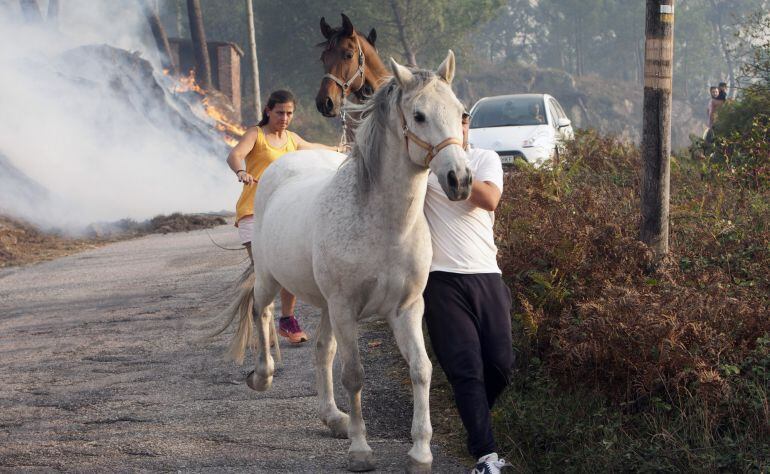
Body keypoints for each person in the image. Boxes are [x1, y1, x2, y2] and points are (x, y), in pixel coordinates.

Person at [423, 111, 514, 474]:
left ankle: (473, 415)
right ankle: (486, 455)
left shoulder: (483, 159)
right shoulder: (424, 170)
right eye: (446, 127)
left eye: (460, 125)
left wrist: (455, 170)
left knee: (501, 365)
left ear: (466, 127)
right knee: (466, 369)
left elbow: (490, 199)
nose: (455, 132)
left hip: (487, 274)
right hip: (440, 279)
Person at [227, 89, 342, 344]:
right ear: (268, 111)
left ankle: (287, 320)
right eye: (280, 113)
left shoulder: (291, 139)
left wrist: (338, 149)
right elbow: (235, 154)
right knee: (265, 270)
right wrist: (241, 172)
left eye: (289, 113)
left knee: (285, 264)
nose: (285, 118)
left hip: (281, 215)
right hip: (254, 212)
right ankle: (264, 320)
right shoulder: (256, 135)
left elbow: (313, 148)